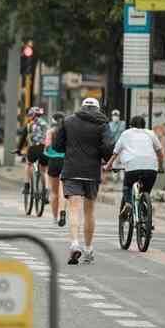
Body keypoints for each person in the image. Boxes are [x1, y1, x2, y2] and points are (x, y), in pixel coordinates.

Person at [53, 98, 111, 265]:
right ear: (97, 109)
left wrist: (70, 149)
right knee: (89, 211)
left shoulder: (68, 121)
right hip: (92, 172)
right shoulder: (103, 123)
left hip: (72, 170)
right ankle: (88, 248)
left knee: (73, 209)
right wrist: (104, 158)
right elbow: (108, 147)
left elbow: (57, 146)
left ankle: (74, 244)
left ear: (82, 108)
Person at [105, 115, 163, 221]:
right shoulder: (151, 133)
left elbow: (115, 153)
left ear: (131, 125)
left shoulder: (125, 134)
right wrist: (161, 167)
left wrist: (108, 166)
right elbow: (160, 152)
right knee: (146, 191)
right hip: (151, 167)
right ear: (144, 125)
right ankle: (145, 216)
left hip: (132, 166)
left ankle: (128, 203)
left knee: (127, 186)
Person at [44, 112, 67, 227]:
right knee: (63, 190)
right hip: (65, 162)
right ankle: (62, 212)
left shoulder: (50, 131)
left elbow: (47, 148)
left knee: (54, 192)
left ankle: (54, 217)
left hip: (53, 162)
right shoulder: (67, 131)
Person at [23, 107, 50, 196]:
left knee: (28, 164)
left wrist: (20, 150)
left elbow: (26, 138)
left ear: (33, 115)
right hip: (44, 149)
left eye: (30, 115)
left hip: (34, 148)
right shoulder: (46, 124)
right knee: (44, 170)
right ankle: (46, 191)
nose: (29, 117)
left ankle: (27, 186)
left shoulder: (29, 124)